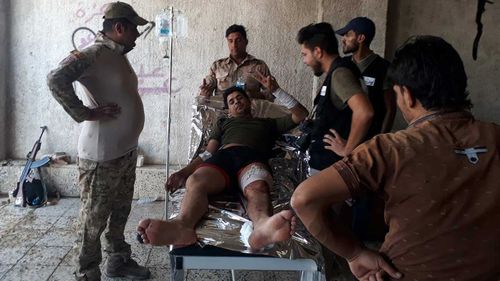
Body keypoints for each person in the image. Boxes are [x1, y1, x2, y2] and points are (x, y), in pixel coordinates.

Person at [291, 35, 500, 281]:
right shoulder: (495, 137)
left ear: (407, 95)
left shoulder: (390, 149)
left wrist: (356, 254)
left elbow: (304, 199)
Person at [137, 76, 308, 250]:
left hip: (251, 159)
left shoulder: (268, 123)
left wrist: (277, 90)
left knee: (257, 187)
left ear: (249, 102)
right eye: (232, 101)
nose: (237, 102)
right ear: (229, 110)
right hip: (223, 157)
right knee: (195, 182)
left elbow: (301, 115)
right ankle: (182, 226)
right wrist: (185, 172)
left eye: (240, 98)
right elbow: (208, 153)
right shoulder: (223, 123)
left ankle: (262, 227)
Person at [47, 2, 150, 280]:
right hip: (100, 157)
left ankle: (118, 261)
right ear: (119, 28)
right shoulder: (93, 53)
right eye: (134, 29)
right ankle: (87, 273)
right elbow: (56, 78)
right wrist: (84, 113)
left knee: (119, 212)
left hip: (124, 152)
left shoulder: (116, 53)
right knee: (92, 220)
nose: (137, 35)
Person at [296, 22, 374, 174]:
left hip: (332, 168)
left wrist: (348, 149)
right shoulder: (336, 72)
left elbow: (365, 112)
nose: (304, 61)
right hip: (326, 166)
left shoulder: (340, 74)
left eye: (305, 55)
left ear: (318, 51)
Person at [335, 16, 396, 137]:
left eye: (347, 35)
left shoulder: (384, 68)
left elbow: (390, 109)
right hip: (342, 137)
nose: (343, 40)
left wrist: (379, 140)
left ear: (361, 38)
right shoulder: (341, 65)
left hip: (369, 139)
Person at [199, 24, 273, 100]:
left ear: (246, 42)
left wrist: (252, 95)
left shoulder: (259, 66)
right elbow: (205, 92)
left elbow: (271, 94)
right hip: (221, 111)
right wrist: (204, 93)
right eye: (230, 41)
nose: (234, 45)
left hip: (250, 110)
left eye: (238, 40)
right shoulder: (217, 66)